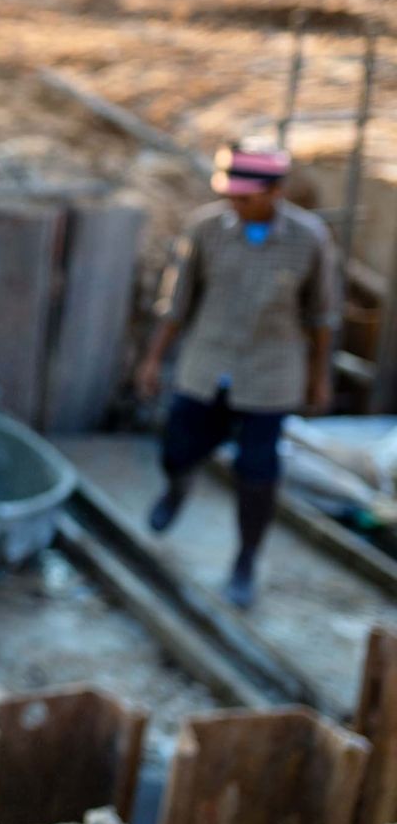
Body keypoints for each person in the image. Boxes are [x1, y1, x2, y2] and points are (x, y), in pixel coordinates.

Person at [135, 144, 340, 609]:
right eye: (232, 195)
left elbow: (322, 317)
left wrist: (318, 378)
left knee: (257, 471)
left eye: (247, 197)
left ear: (275, 192)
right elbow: (177, 301)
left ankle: (245, 559)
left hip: (270, 375)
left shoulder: (310, 239)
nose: (237, 204)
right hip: (207, 365)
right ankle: (176, 488)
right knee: (179, 447)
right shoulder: (206, 229)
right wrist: (153, 359)